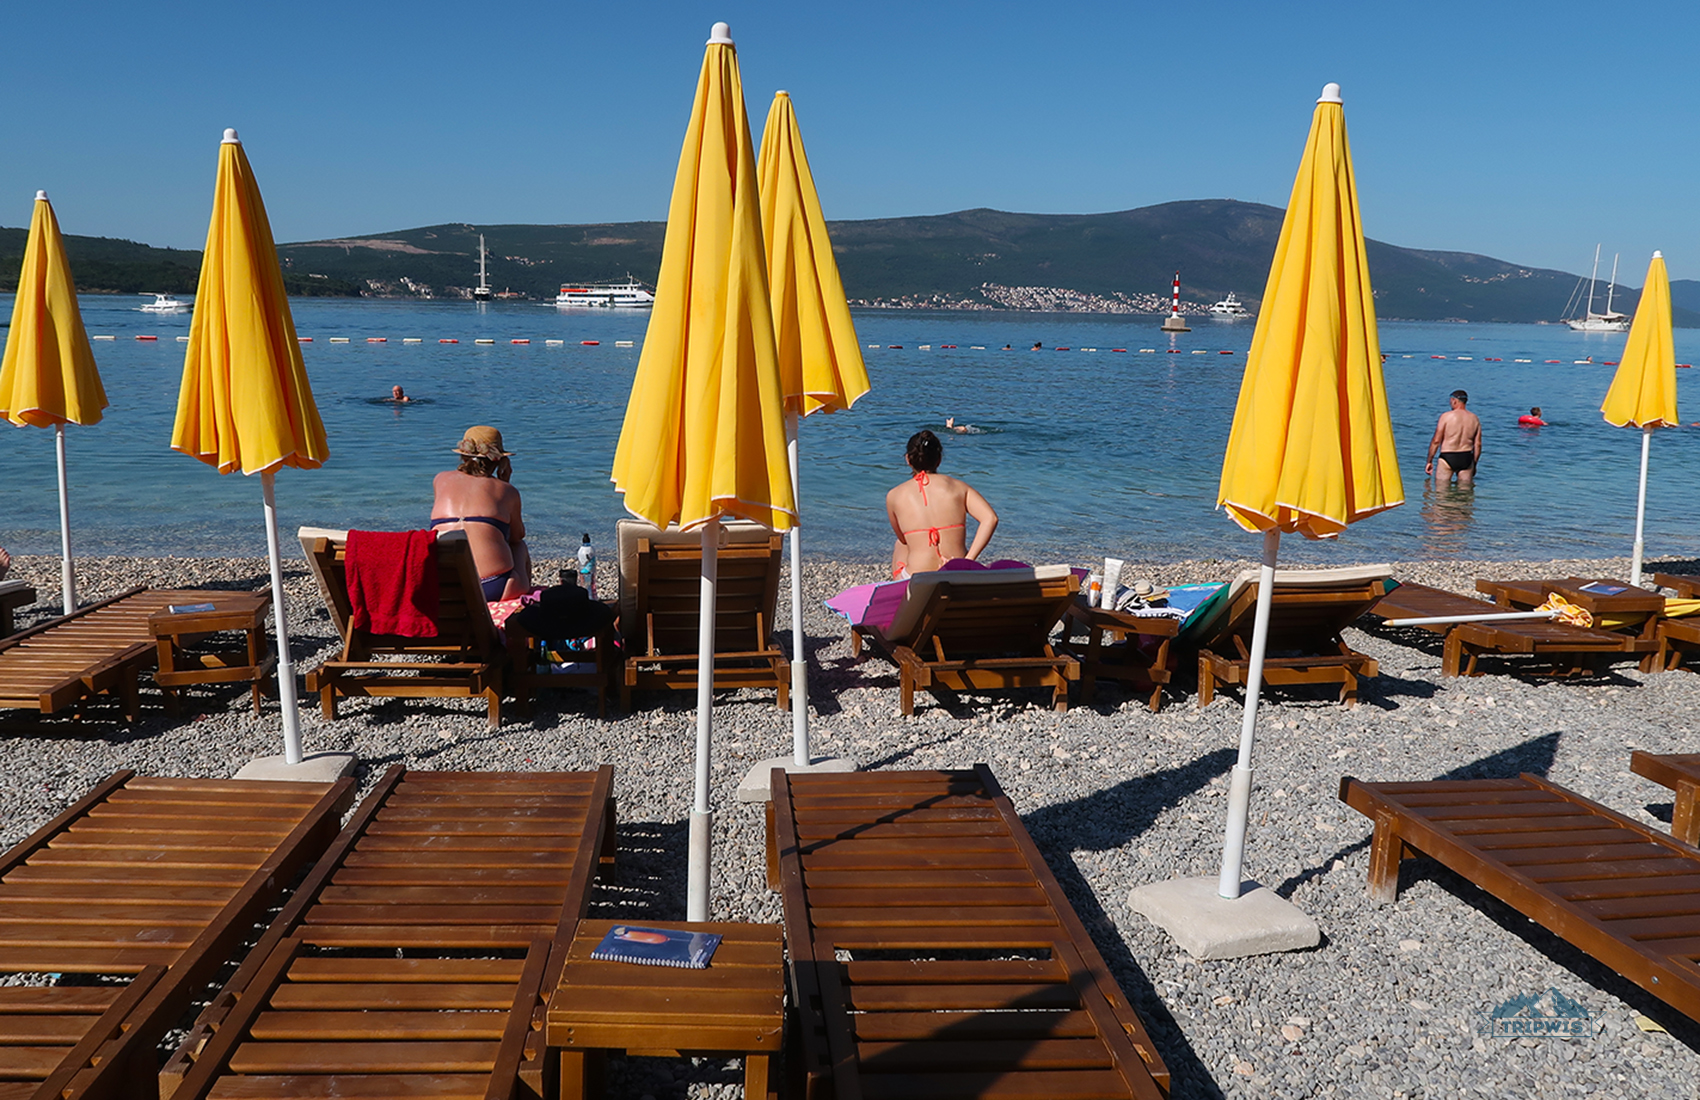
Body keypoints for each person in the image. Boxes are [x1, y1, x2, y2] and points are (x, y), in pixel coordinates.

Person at [431, 426, 531, 601]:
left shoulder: (440, 480)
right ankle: (522, 607)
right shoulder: (507, 491)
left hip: (443, 586)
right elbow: (517, 536)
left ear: (463, 455)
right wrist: (505, 483)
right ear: (499, 461)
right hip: (494, 585)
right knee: (519, 546)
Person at [886, 429, 998, 579]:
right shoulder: (958, 487)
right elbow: (990, 518)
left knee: (900, 545)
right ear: (939, 459)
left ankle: (899, 593)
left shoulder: (894, 495)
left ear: (908, 459)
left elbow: (902, 539)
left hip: (918, 578)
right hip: (956, 572)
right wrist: (967, 561)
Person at [1426, 389, 1482, 485]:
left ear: (1454, 400)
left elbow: (1436, 441)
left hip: (1447, 456)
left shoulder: (1446, 417)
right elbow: (1478, 444)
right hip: (1466, 457)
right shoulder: (1474, 418)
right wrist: (1474, 464)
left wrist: (1429, 461)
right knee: (1465, 495)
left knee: (1441, 493)